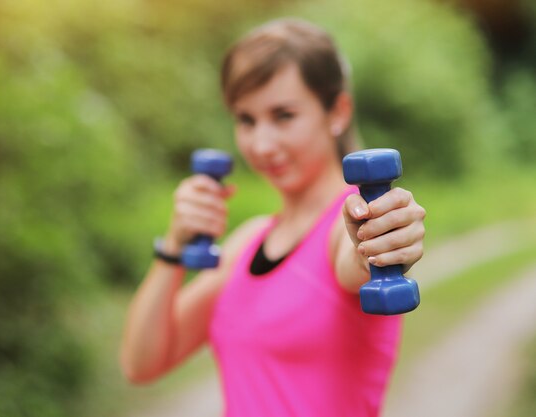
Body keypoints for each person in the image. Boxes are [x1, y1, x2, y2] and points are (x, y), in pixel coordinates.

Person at [120, 18, 426, 417]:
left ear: (338, 111)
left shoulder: (348, 222)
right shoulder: (247, 241)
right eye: (246, 120)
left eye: (283, 116)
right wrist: (174, 248)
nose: (261, 144)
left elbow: (355, 257)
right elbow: (142, 364)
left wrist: (382, 241)